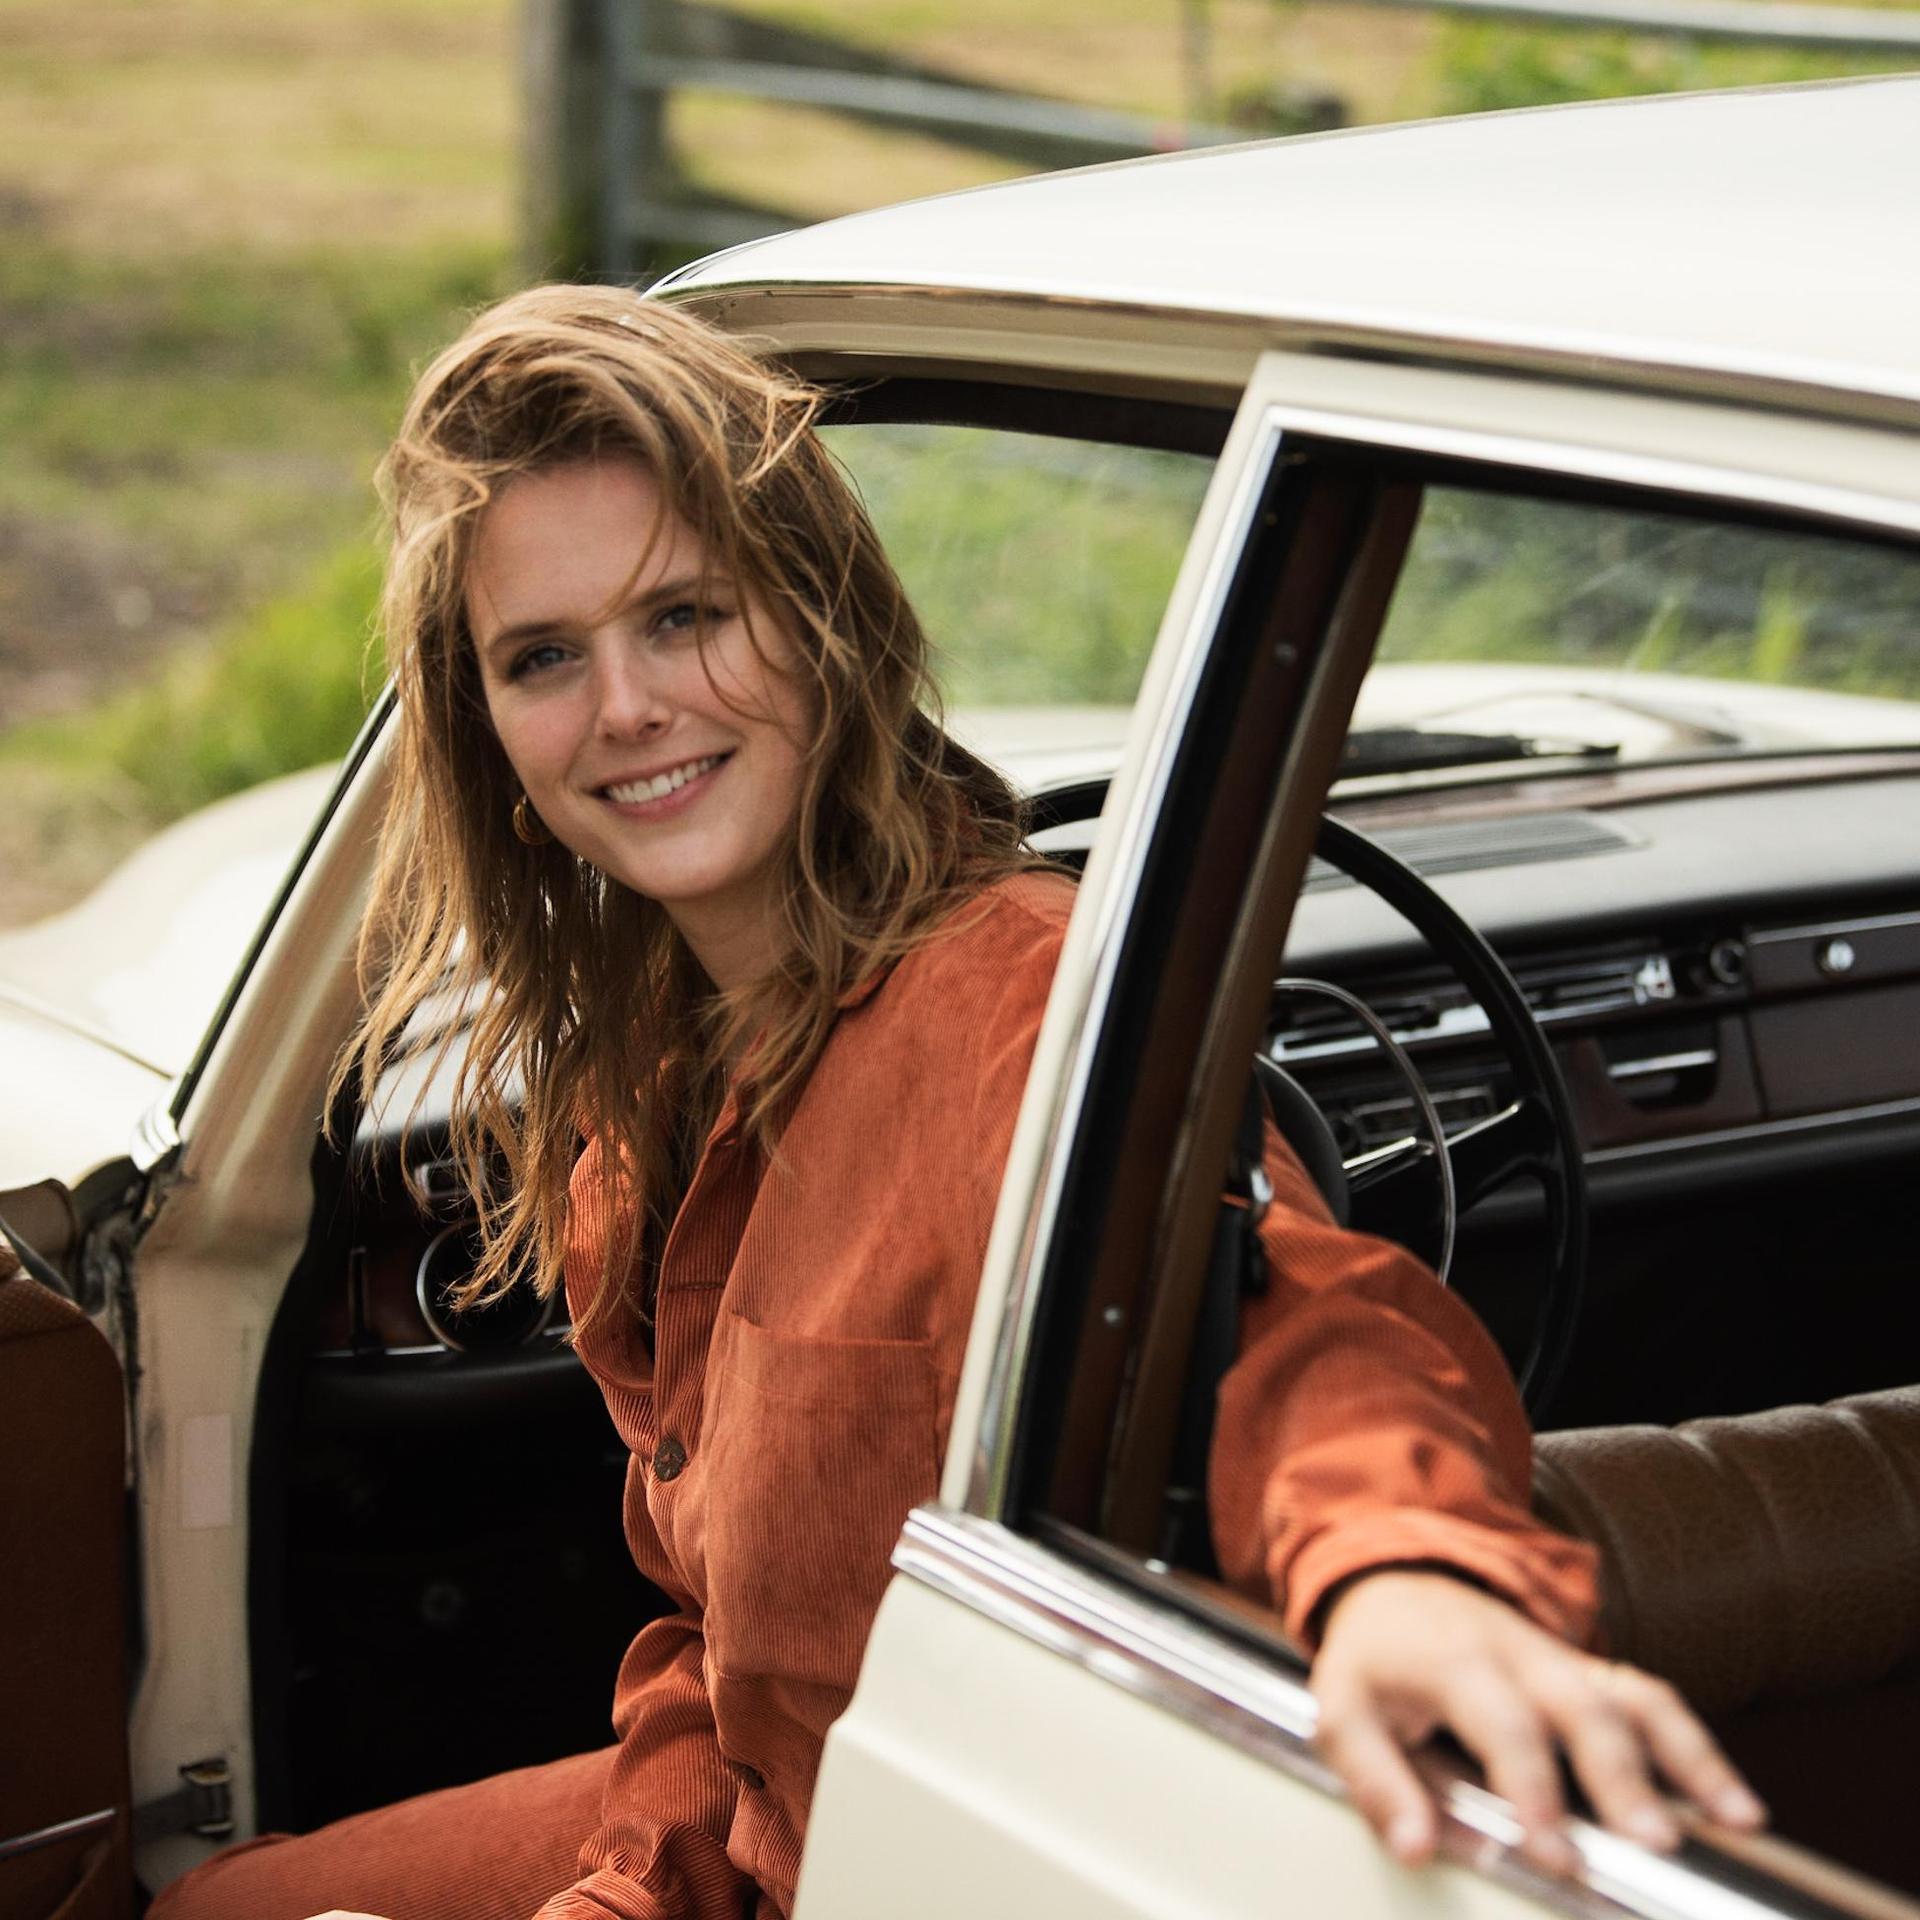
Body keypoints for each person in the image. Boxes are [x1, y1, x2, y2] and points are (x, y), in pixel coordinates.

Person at [151, 286, 1762, 1920]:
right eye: (546, 656)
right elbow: (722, 1663)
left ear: (820, 621)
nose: (626, 707)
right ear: (489, 728)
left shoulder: (1009, 996)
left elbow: (1297, 1322)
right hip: (743, 1819)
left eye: (688, 615)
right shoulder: (633, 1093)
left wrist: (1408, 1578)